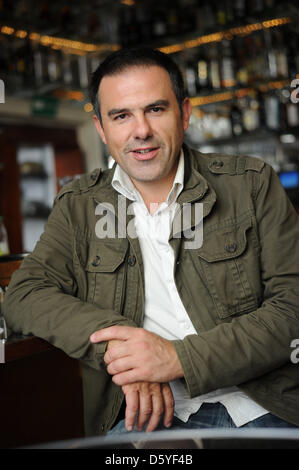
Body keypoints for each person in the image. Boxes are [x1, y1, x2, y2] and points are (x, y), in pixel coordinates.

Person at [3, 47, 299, 437]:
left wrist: (178, 359)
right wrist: (127, 353)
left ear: (185, 112)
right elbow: (24, 294)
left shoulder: (251, 183)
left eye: (155, 109)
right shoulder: (78, 207)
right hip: (144, 417)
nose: (140, 130)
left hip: (262, 406)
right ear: (100, 128)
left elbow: (293, 306)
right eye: (121, 115)